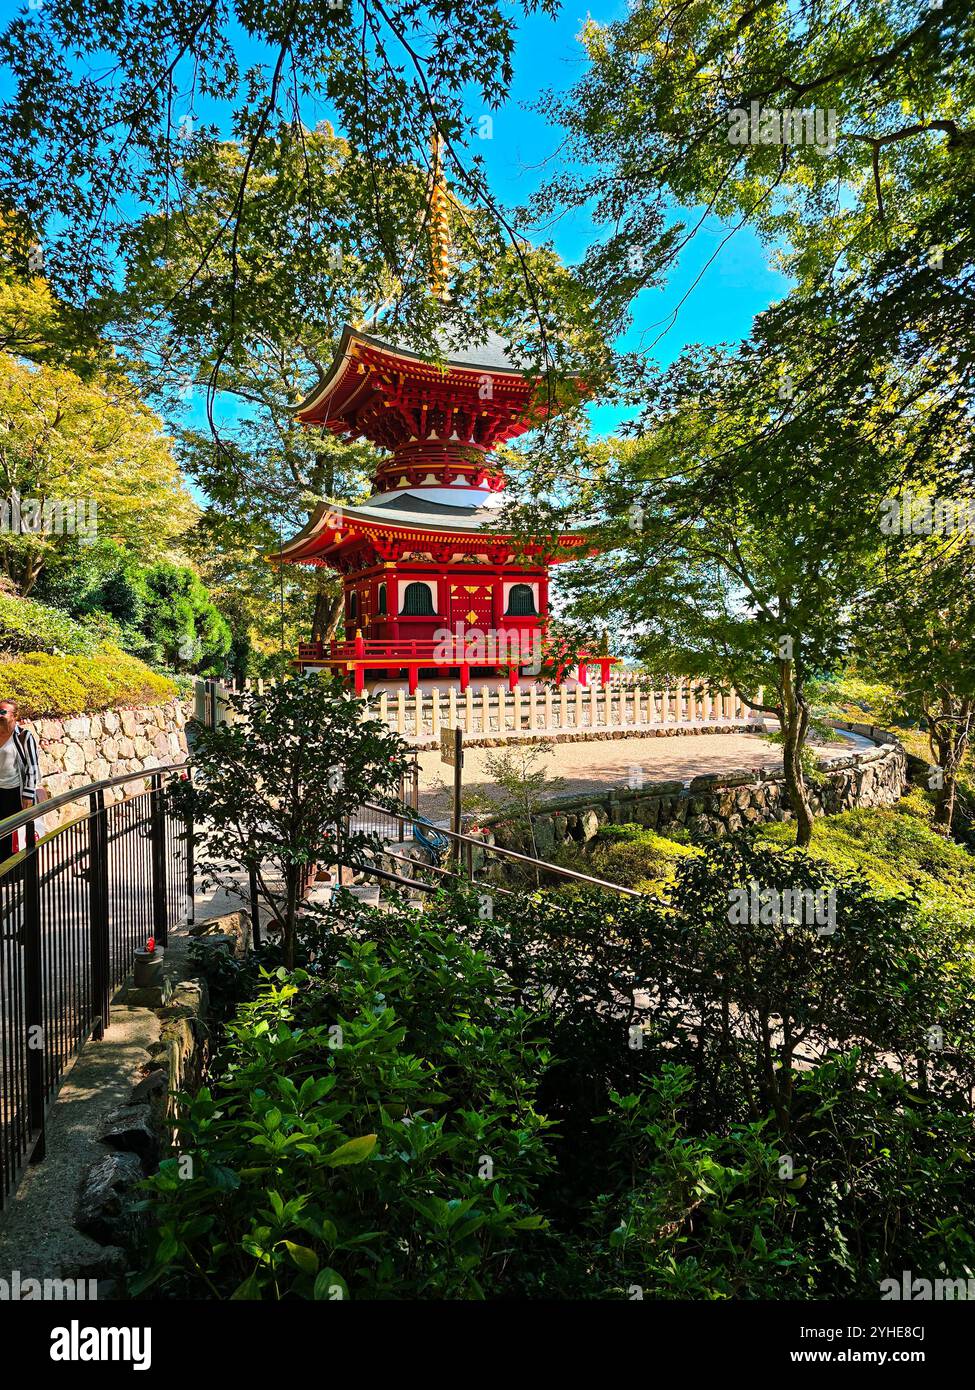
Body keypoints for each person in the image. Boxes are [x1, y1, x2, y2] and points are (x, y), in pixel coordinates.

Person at [0, 698, 40, 863]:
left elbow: (32, 766)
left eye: (3, 712)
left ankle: (19, 870)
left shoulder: (23, 736)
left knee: (16, 832)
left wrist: (28, 794)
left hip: (15, 791)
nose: (0, 715)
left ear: (15, 716)